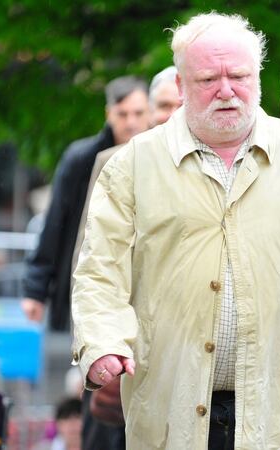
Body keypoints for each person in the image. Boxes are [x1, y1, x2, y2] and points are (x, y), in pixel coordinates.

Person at [72, 12, 280, 449]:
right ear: (179, 86)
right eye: (208, 79)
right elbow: (100, 271)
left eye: (239, 75)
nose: (227, 90)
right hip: (171, 412)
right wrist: (102, 342)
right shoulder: (134, 164)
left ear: (258, 77)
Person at [71, 67, 181, 450]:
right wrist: (94, 346)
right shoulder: (114, 162)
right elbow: (89, 260)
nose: (171, 113)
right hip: (119, 346)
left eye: (178, 104)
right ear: (151, 109)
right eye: (163, 105)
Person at [21, 75, 149, 331]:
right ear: (108, 114)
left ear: (149, 112)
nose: (131, 122)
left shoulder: (164, 159)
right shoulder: (81, 159)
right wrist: (35, 289)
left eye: (138, 112)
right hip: (90, 277)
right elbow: (55, 223)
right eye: (122, 114)